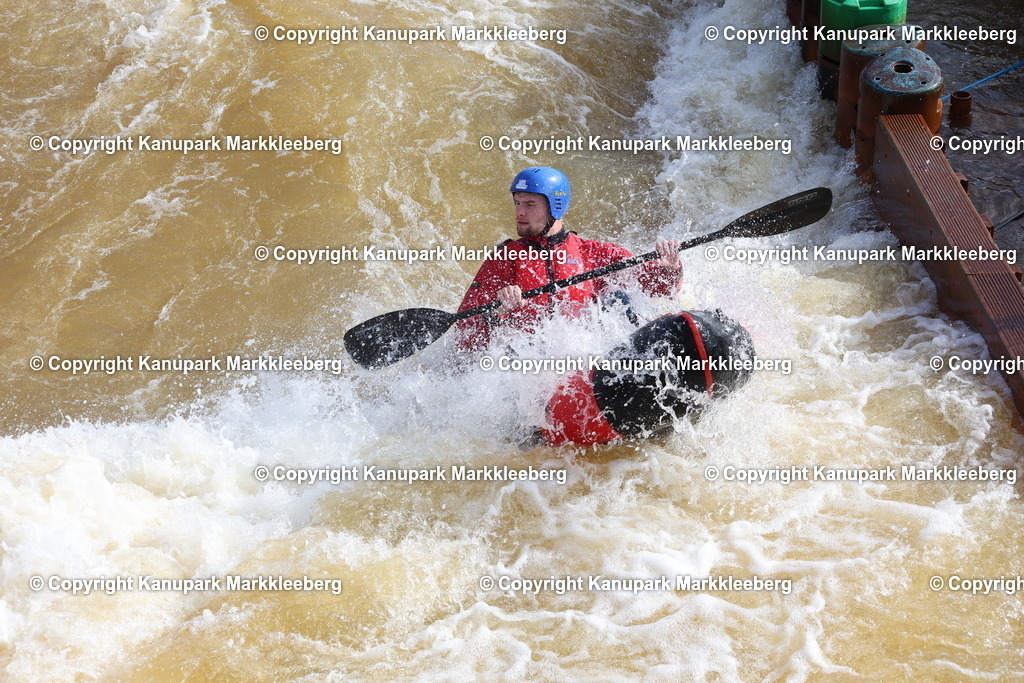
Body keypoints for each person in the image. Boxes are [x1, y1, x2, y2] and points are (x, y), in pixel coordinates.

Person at [455, 167, 683, 352]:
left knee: (619, 300)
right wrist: (496, 314)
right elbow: (464, 335)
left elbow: (660, 290)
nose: (519, 212)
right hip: (526, 366)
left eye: (530, 205)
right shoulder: (504, 258)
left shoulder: (593, 253)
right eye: (517, 203)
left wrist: (671, 268)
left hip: (585, 360)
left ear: (555, 206)